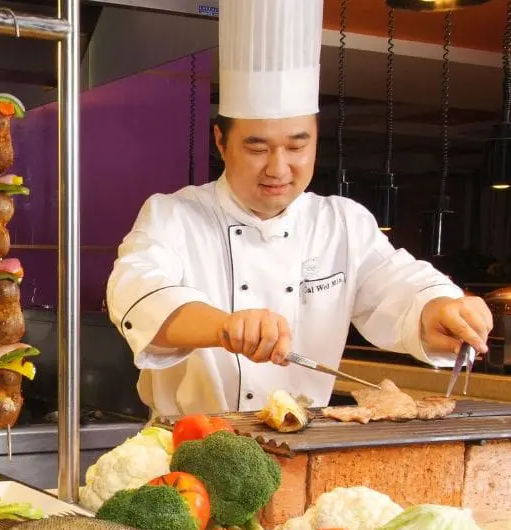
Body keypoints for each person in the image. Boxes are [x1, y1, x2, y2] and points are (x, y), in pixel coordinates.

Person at [106, 0, 492, 418]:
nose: (278, 168)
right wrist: (224, 326)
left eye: (296, 146)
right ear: (221, 141)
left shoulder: (342, 223)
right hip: (189, 445)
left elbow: (399, 288)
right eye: (256, 147)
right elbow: (136, 295)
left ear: (316, 138)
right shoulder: (172, 216)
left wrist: (441, 308)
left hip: (305, 447)